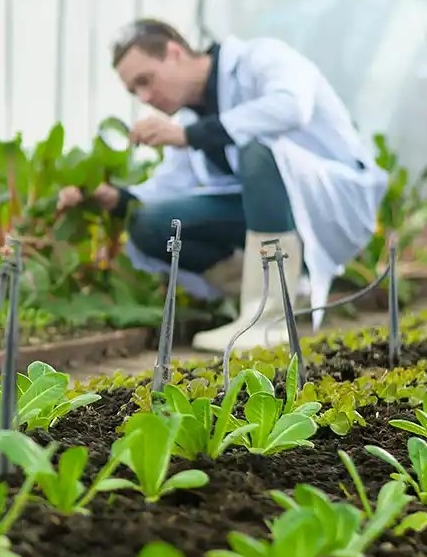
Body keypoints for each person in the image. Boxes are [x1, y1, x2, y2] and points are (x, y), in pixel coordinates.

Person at [57, 18, 387, 352]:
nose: (145, 97)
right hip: (269, 217)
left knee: (259, 152)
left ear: (174, 53)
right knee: (151, 223)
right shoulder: (190, 118)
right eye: (134, 91)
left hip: (331, 204)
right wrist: (113, 197)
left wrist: (191, 136)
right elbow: (169, 186)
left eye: (146, 81)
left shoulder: (262, 58)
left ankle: (268, 319)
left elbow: (292, 106)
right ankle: (276, 299)